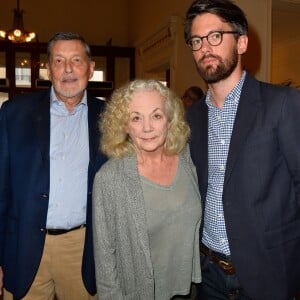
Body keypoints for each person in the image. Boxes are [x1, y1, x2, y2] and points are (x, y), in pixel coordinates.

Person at [184, 0, 300, 299]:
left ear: (242, 42)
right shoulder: (191, 117)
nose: (204, 47)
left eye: (215, 36)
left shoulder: (283, 104)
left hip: (269, 272)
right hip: (207, 272)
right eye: (196, 41)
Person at [0, 32, 106, 299]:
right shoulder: (14, 114)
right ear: (49, 69)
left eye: (76, 60)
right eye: (59, 61)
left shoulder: (110, 117)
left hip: (82, 249)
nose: (68, 69)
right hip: (24, 245)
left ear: (91, 68)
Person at [92, 79, 202, 300]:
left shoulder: (188, 158)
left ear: (170, 120)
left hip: (193, 291)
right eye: (136, 118)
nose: (147, 127)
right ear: (124, 125)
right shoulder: (110, 178)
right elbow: (104, 258)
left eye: (156, 116)